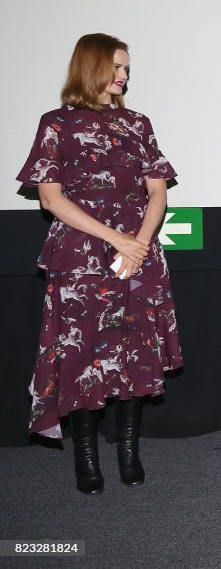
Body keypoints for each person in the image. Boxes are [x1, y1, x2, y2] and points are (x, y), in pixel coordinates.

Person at [16, 33, 182, 494]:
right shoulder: (56, 124)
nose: (125, 76)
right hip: (81, 253)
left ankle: (129, 450)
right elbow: (50, 199)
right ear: (91, 67)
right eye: (117, 67)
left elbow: (157, 191)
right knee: (81, 354)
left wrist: (140, 243)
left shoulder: (138, 123)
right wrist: (116, 240)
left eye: (127, 68)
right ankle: (86, 459)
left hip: (139, 251)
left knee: (135, 351)